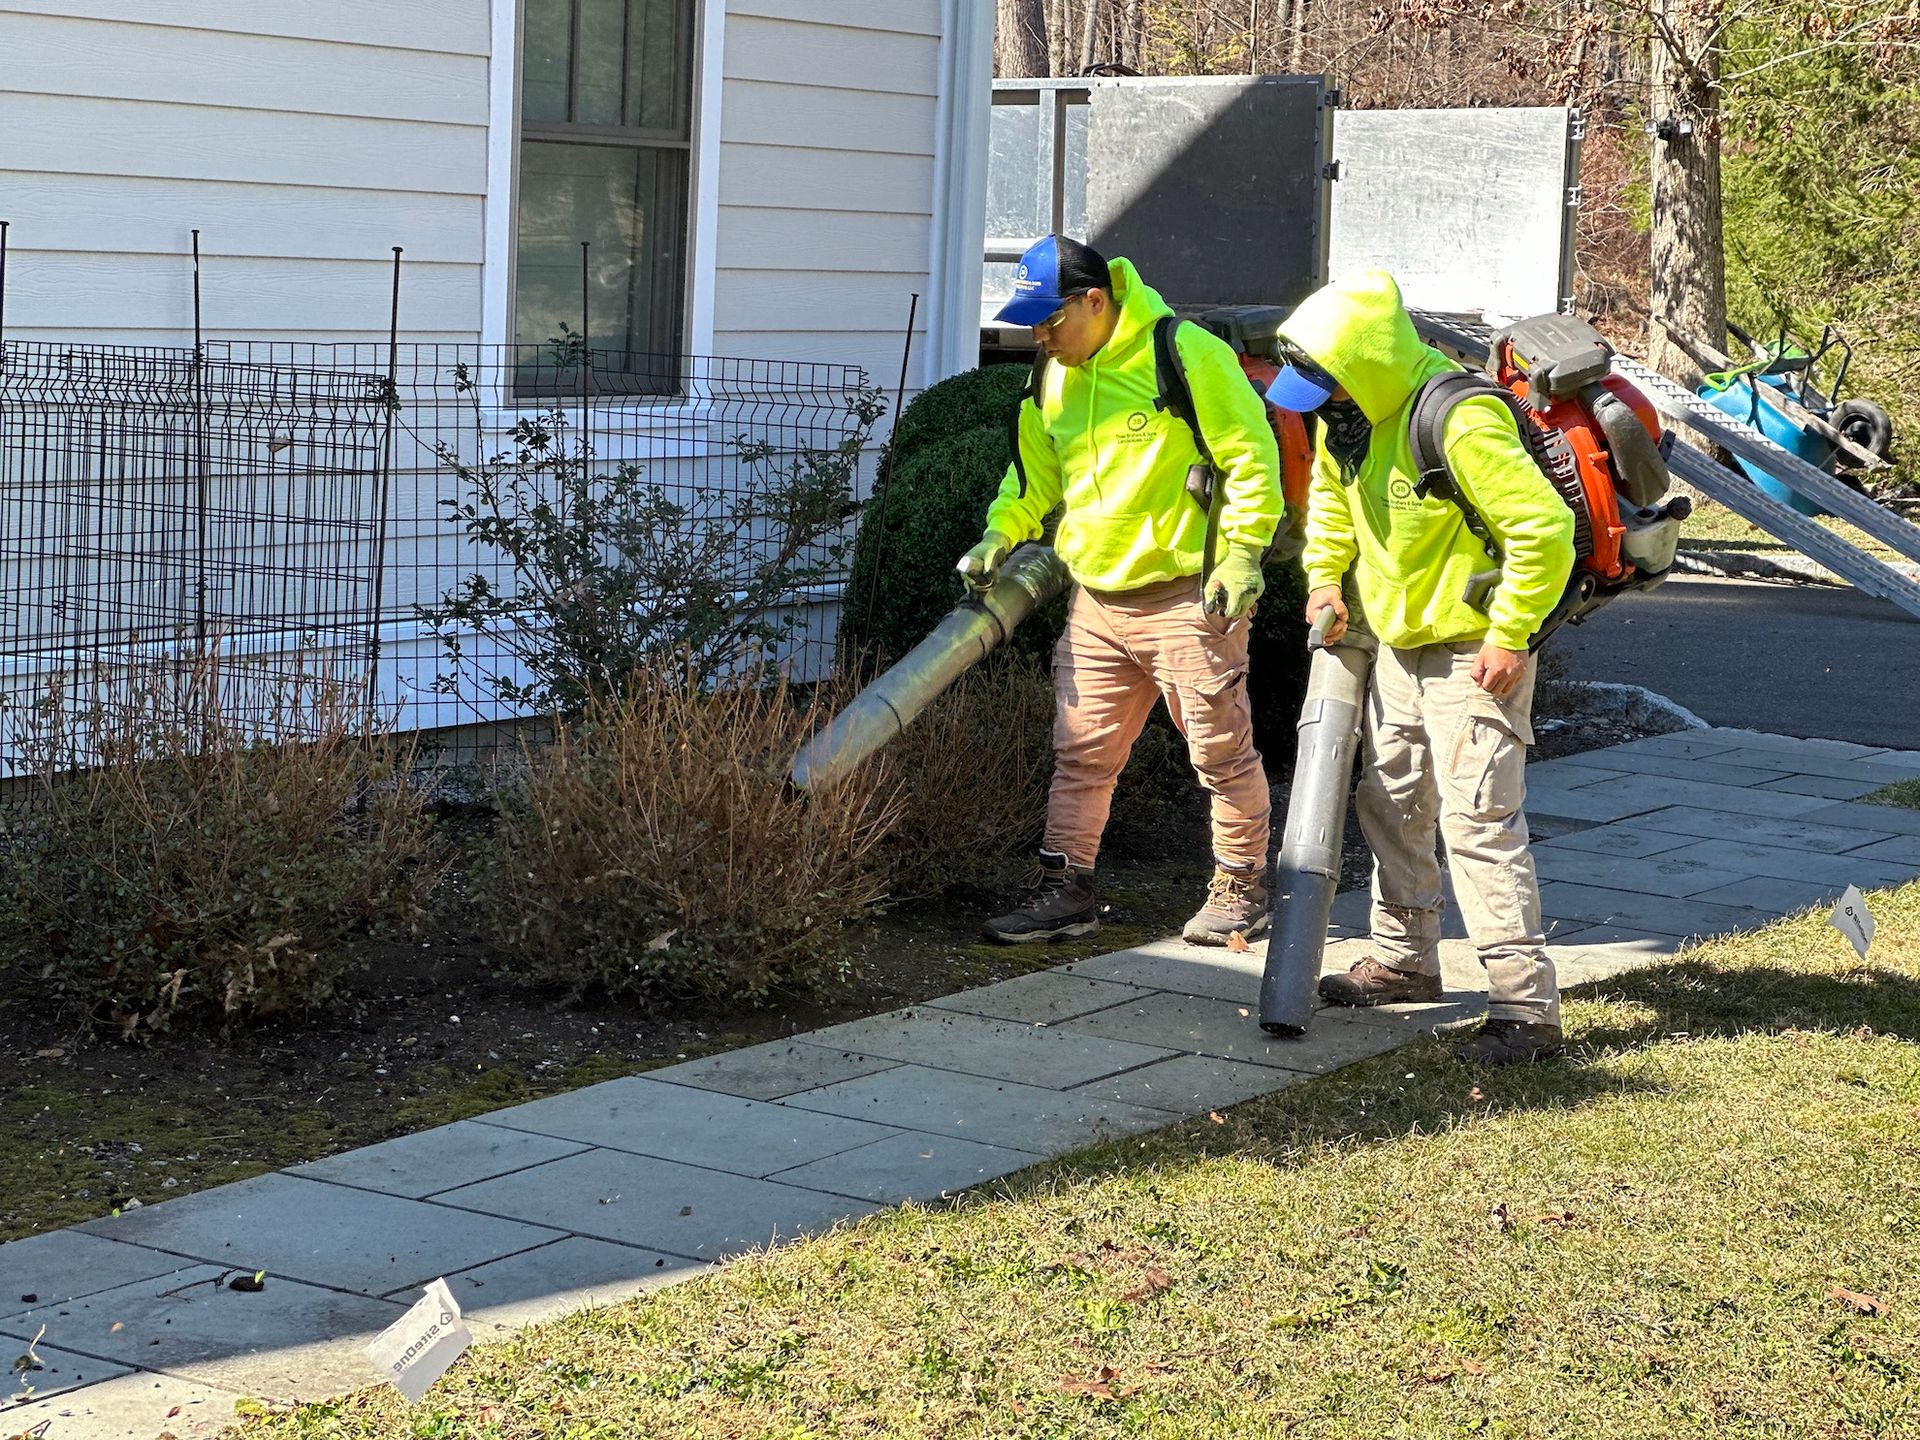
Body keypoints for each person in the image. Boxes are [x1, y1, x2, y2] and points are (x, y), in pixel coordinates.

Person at [1267, 270, 1575, 1065]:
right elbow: (1332, 504)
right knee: (1392, 799)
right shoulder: (1352, 420)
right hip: (1400, 641)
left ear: (1362, 366)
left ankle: (1524, 1011)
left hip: (1478, 650)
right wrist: (1326, 580)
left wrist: (1511, 636)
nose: (1319, 402)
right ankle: (1404, 960)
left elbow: (1542, 531)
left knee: (1479, 824)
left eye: (1324, 383)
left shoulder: (1458, 419)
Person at [962, 234, 1285, 947]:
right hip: (1098, 599)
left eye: (1052, 320)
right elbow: (1032, 476)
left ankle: (1242, 888)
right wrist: (999, 533)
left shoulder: (1184, 352)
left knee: (1219, 752)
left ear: (1095, 301)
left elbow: (1252, 456)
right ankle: (1064, 890)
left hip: (1189, 596)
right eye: (1033, 325)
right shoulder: (1052, 378)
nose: (1042, 338)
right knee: (1081, 754)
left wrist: (1243, 555)